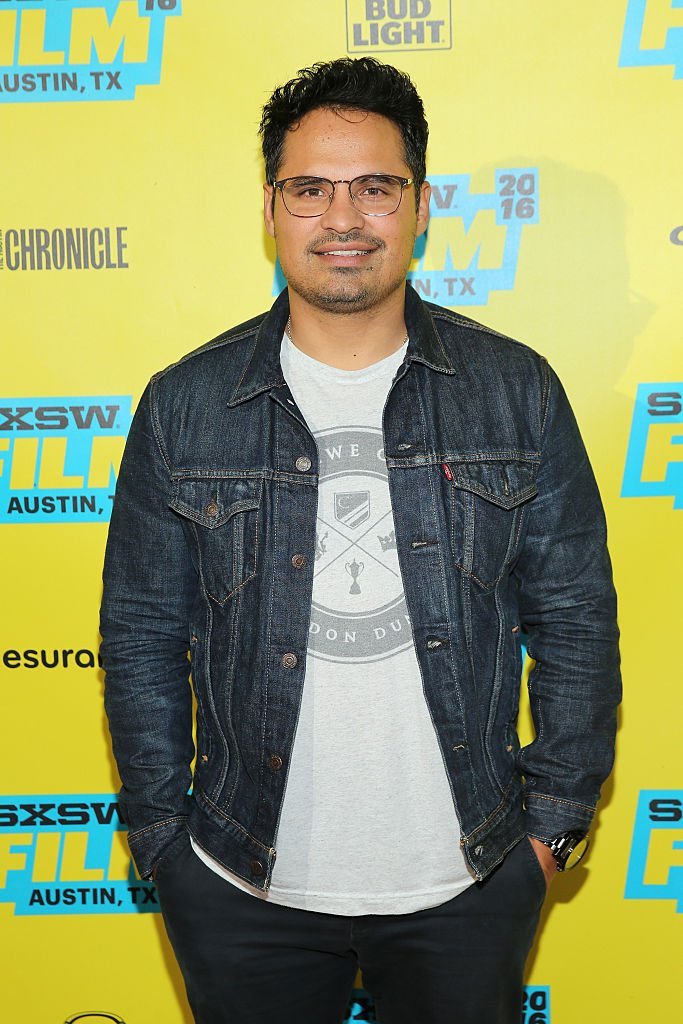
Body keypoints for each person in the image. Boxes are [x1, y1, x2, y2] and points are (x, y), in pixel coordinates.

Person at [100, 57, 621, 1024]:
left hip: (469, 879)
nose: (343, 220)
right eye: (310, 190)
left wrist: (549, 829)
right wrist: (164, 840)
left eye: (374, 188)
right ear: (270, 208)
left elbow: (576, 619)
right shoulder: (184, 406)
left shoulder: (515, 391)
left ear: (420, 205)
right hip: (235, 879)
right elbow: (137, 636)